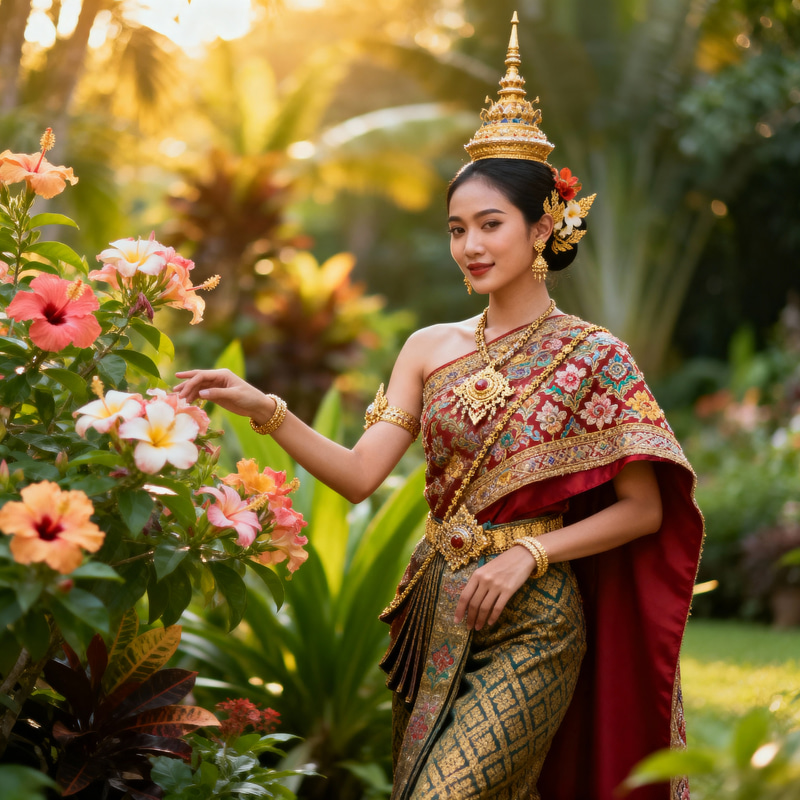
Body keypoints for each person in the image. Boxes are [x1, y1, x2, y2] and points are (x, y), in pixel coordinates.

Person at [175, 13, 703, 800]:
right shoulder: (428, 346)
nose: (471, 246)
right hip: (436, 609)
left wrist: (532, 554)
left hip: (534, 614)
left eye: (490, 225)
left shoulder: (595, 354)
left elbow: (645, 511)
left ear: (542, 225)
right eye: (458, 229)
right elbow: (360, 477)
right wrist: (263, 408)